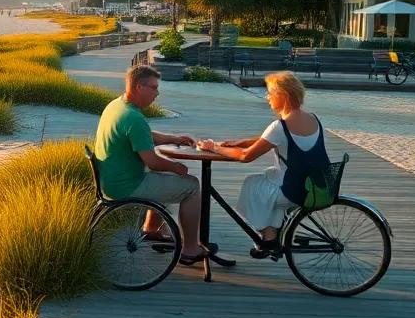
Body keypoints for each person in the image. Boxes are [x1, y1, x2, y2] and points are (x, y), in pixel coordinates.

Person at [196, 71, 330, 258]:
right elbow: (268, 140)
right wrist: (239, 142)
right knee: (265, 186)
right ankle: (272, 234)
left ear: (282, 96)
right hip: (316, 186)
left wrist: (213, 147)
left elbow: (245, 157)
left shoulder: (280, 125)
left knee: (253, 185)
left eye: (270, 93)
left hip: (294, 189)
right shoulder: (313, 119)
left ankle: (268, 238)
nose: (267, 97)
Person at [94, 65, 208, 264]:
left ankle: (151, 230)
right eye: (154, 88)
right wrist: (177, 167)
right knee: (192, 186)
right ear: (139, 87)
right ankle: (190, 249)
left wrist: (171, 139)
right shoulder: (133, 118)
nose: (157, 93)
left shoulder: (117, 106)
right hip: (127, 186)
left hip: (111, 180)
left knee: (168, 181)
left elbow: (142, 137)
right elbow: (153, 162)